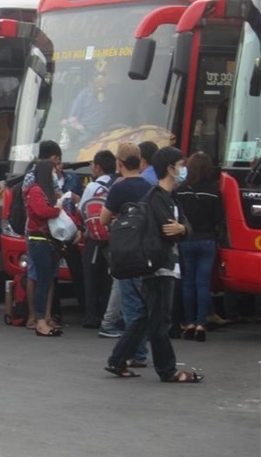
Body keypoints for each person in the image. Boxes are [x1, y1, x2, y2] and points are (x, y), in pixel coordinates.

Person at [106, 146, 203, 383]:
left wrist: (183, 229)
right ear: (170, 169)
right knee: (160, 320)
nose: (183, 170)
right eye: (181, 165)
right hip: (160, 265)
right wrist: (181, 230)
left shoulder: (170, 197)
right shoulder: (157, 198)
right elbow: (168, 230)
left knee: (144, 316)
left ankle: (117, 360)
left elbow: (185, 227)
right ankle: (167, 370)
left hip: (161, 264)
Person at [100, 142, 153, 364]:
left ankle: (137, 353)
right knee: (144, 303)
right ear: (140, 161)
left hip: (125, 252)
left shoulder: (119, 188)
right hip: (148, 251)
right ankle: (141, 349)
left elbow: (103, 219)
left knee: (131, 304)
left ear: (119, 164)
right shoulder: (150, 186)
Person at [175, 151, 223, 342]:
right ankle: (202, 324)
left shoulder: (181, 190)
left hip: (186, 239)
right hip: (207, 240)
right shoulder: (214, 189)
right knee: (203, 283)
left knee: (187, 283)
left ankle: (189, 323)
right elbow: (219, 218)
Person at [24, 159, 64, 337]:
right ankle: (40, 321)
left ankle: (43, 319)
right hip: (39, 240)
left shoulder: (45, 191)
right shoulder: (35, 190)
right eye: (52, 172)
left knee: (47, 281)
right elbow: (41, 211)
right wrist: (58, 210)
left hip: (48, 240)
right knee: (42, 282)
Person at [79, 149, 117, 329]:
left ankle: (91, 316)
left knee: (91, 278)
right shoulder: (118, 183)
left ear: (98, 168)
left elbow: (82, 210)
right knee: (108, 278)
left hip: (94, 237)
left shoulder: (93, 187)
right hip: (114, 237)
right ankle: (106, 313)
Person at [61, 61, 111, 143]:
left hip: (105, 136)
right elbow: (73, 118)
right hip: (85, 137)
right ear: (90, 83)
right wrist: (80, 128)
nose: (99, 86)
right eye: (97, 83)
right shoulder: (83, 95)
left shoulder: (109, 95)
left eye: (102, 83)